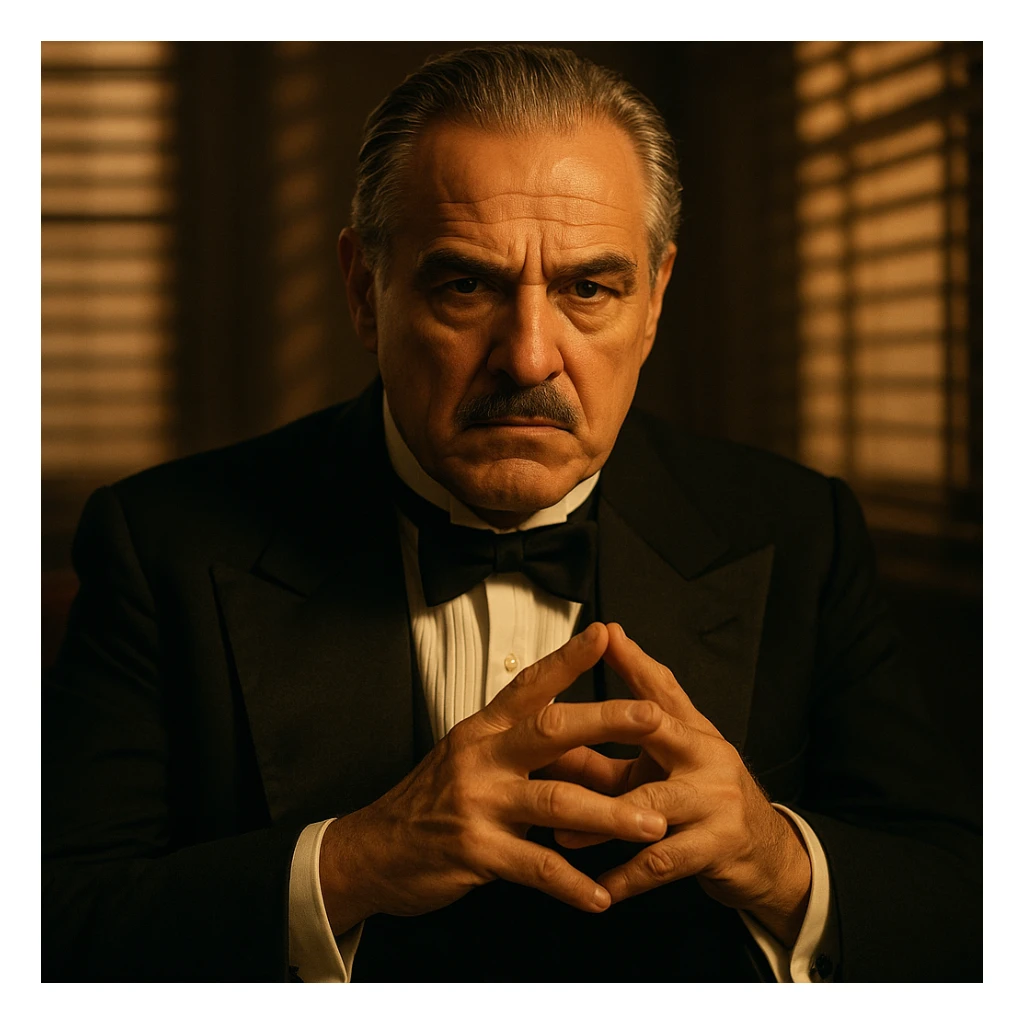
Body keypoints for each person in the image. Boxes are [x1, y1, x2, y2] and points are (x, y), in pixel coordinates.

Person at [42, 44, 981, 983]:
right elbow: (54, 931)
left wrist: (776, 859)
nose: (529, 358)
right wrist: (356, 862)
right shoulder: (160, 542)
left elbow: (963, 906)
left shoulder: (801, 532)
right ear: (365, 291)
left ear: (653, 301)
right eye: (467, 286)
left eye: (588, 288)